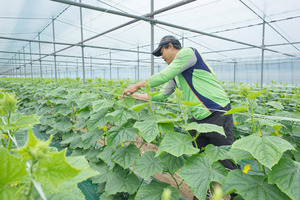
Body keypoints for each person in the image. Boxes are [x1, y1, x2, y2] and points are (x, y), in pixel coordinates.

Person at [122, 35, 238, 199]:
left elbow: (163, 76)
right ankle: (204, 194)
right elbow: (162, 94)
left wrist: (135, 86)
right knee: (201, 163)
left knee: (226, 160)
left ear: (170, 46)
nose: (161, 57)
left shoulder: (189, 53)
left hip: (217, 112)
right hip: (197, 120)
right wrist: (136, 96)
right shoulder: (177, 75)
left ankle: (237, 195)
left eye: (162, 52)